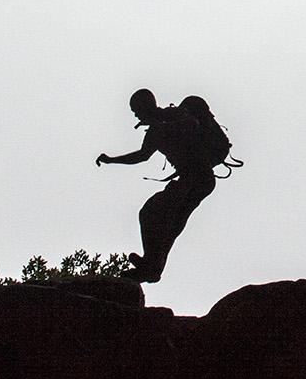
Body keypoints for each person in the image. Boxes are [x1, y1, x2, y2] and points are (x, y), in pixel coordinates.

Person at [96, 89, 225, 284]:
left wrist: (158, 124)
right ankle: (152, 266)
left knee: (156, 215)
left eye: (136, 110)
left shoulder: (171, 115)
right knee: (162, 220)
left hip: (198, 177)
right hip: (191, 180)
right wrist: (111, 160)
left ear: (146, 105)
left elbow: (191, 123)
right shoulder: (155, 130)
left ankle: (152, 265)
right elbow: (142, 155)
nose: (136, 115)